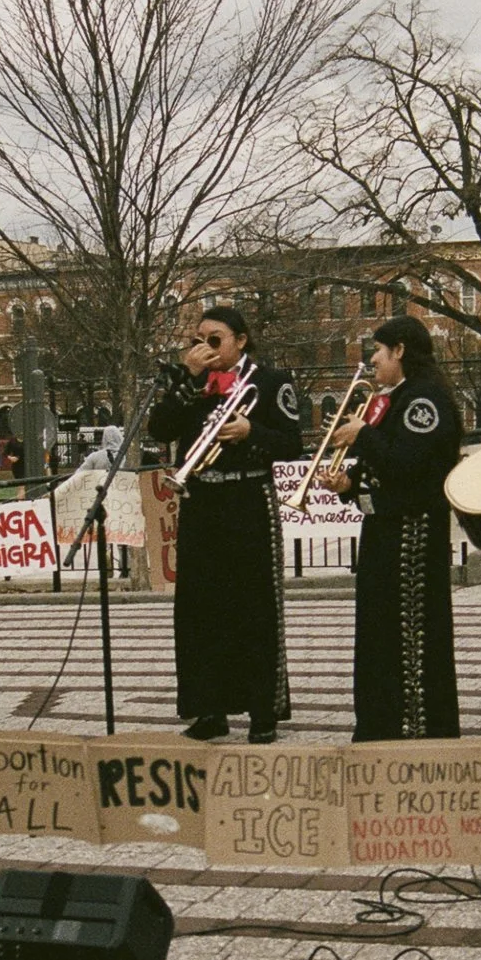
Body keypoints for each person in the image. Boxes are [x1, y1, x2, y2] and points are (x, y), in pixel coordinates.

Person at [149, 304, 303, 742]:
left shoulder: (271, 382)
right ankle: (209, 710)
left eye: (214, 339)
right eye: (198, 339)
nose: (205, 347)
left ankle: (262, 713)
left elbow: (291, 443)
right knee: (200, 609)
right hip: (201, 498)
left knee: (253, 607)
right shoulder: (187, 382)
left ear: (240, 339)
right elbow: (161, 429)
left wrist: (250, 433)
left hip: (248, 497)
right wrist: (189, 380)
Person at [326, 316, 463, 741]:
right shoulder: (394, 398)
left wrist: (362, 434)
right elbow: (384, 469)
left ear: (400, 350)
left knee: (410, 637)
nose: (373, 360)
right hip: (384, 530)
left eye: (378, 352)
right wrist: (349, 485)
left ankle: (417, 730)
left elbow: (409, 464)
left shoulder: (425, 400)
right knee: (378, 636)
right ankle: (379, 724)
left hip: (413, 537)